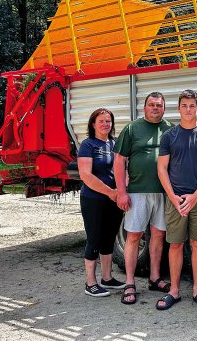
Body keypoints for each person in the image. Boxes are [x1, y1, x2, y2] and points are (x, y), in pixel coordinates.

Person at [155, 89, 197, 310]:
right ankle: (174, 290)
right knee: (175, 244)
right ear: (179, 108)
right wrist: (173, 197)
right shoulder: (169, 136)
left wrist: (195, 197)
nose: (188, 110)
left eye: (192, 106)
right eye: (184, 106)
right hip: (176, 199)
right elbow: (162, 168)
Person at [114, 92, 174, 305]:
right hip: (137, 191)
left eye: (159, 105)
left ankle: (155, 278)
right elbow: (119, 161)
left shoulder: (170, 129)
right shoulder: (132, 128)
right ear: (145, 107)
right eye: (152, 105)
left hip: (163, 192)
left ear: (164, 108)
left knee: (158, 235)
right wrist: (121, 191)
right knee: (134, 236)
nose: (155, 108)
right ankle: (130, 283)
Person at [77, 108, 126, 297]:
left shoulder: (114, 144)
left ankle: (107, 278)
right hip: (94, 199)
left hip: (113, 199)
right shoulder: (88, 145)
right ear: (93, 124)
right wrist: (110, 192)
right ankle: (91, 283)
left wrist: (121, 192)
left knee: (108, 239)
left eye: (108, 121)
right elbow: (85, 175)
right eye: (101, 121)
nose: (105, 124)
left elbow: (123, 168)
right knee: (94, 238)